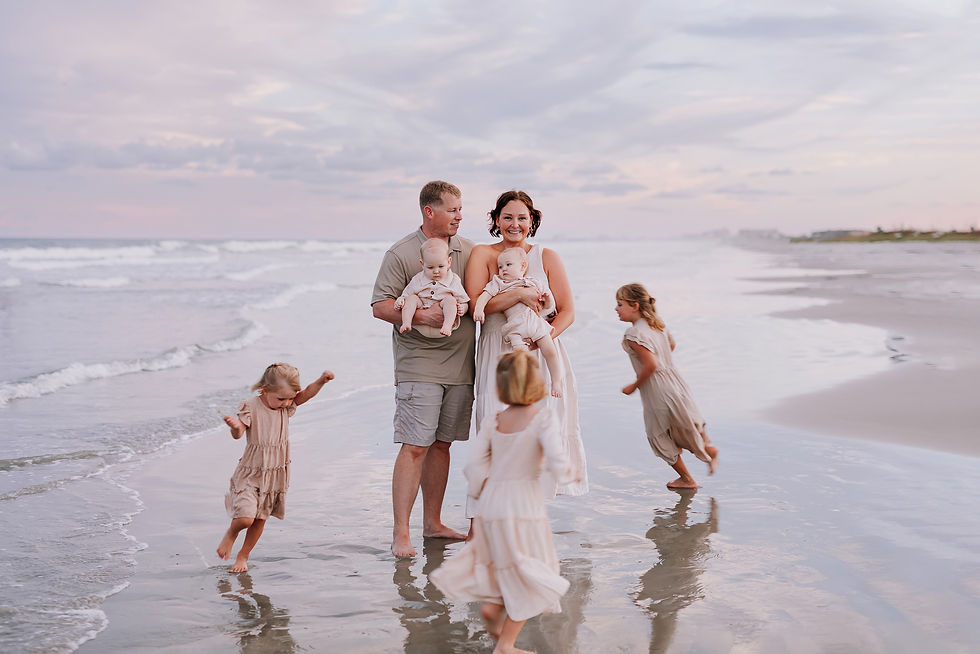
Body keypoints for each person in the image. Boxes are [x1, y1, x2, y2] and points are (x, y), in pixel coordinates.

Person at [429, 351, 576, 654]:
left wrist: (479, 492)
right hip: (523, 505)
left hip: (492, 503)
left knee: (506, 563)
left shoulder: (494, 421)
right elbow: (556, 456)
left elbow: (474, 466)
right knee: (531, 571)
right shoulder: (543, 418)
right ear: (537, 382)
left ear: (502, 386)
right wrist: (566, 472)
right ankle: (506, 645)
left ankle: (494, 607)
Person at [371, 180, 476, 558]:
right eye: (452, 209)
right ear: (430, 211)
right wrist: (422, 316)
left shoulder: (469, 251)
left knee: (442, 445)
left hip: (462, 365)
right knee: (415, 446)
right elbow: (380, 306)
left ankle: (433, 523)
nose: (459, 216)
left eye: (461, 209)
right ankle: (401, 533)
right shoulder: (401, 253)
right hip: (419, 365)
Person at [464, 189, 587, 502]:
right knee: (493, 431)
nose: (514, 224)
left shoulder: (546, 257)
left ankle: (525, 527)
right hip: (497, 349)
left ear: (532, 221)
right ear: (496, 220)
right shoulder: (483, 253)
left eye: (522, 217)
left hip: (541, 353)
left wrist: (543, 337)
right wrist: (518, 295)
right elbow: (477, 305)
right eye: (507, 217)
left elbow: (569, 312)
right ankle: (480, 531)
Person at [216, 363, 335, 572]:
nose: (287, 403)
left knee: (260, 519)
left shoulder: (286, 406)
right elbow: (239, 433)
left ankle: (243, 556)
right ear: (265, 390)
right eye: (281, 399)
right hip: (251, 472)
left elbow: (307, 394)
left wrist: (321, 381)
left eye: (290, 398)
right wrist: (235, 427)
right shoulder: (251, 406)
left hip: (275, 473)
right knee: (245, 518)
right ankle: (231, 533)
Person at [615, 283, 718, 489]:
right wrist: (663, 358)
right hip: (675, 380)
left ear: (634, 305)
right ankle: (707, 447)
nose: (616, 309)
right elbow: (671, 345)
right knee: (682, 419)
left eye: (620, 304)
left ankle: (687, 479)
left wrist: (634, 386)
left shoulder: (633, 334)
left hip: (657, 387)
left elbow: (651, 365)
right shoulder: (657, 325)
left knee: (658, 433)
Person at [473, 247, 563, 396]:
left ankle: (556, 382)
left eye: (508, 265)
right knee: (520, 358)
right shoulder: (499, 283)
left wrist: (547, 298)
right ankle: (524, 385)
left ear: (523, 266)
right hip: (516, 328)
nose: (503, 269)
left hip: (536, 324)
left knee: (550, 351)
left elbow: (548, 308)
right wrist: (479, 309)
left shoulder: (534, 282)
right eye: (500, 266)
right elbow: (485, 295)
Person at [394, 237, 469, 337]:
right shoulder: (418, 279)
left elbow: (464, 300)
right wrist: (400, 300)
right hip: (421, 318)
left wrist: (463, 308)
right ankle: (406, 322)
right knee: (411, 298)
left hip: (442, 319)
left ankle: (447, 326)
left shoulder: (453, 280)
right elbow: (406, 294)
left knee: (450, 300)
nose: (436, 271)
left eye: (441, 266)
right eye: (430, 267)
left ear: (449, 262)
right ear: (422, 264)